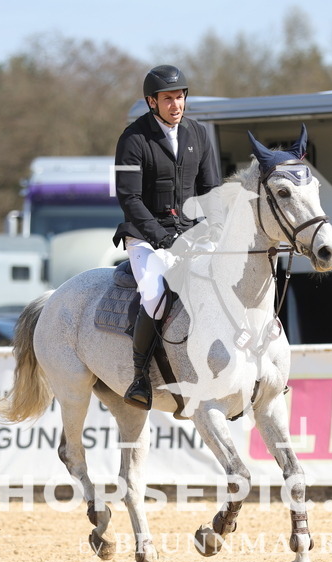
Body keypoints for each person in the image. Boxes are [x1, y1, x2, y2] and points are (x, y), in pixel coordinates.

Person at [113, 64, 221, 410]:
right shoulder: (133, 140)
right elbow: (129, 198)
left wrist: (215, 228)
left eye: (180, 97)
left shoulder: (199, 135)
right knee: (156, 297)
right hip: (144, 236)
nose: (176, 105)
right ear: (151, 102)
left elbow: (210, 190)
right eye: (168, 99)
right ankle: (140, 376)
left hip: (189, 234)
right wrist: (160, 237)